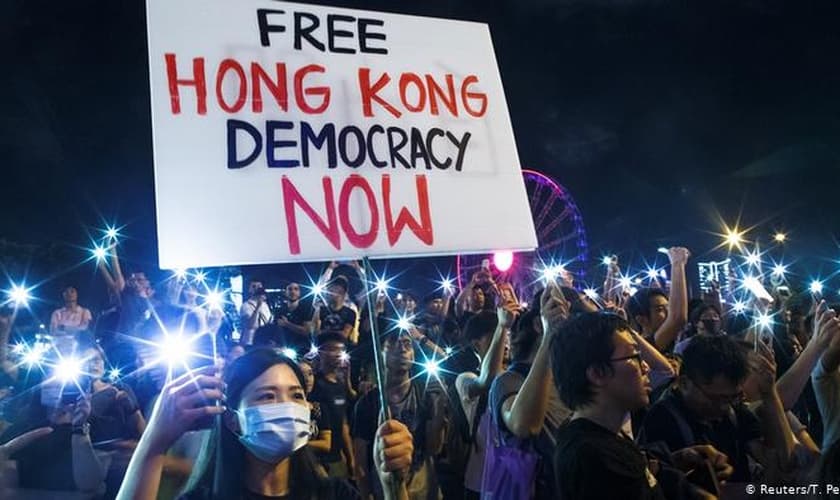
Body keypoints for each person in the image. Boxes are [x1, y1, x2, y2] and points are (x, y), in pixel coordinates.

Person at [116, 348, 414, 500]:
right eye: (267, 397)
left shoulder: (333, 494)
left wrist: (394, 488)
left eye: (296, 395)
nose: (286, 406)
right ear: (233, 420)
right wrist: (154, 441)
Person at [551, 312, 732, 500]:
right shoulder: (592, 459)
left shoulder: (604, 434)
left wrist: (676, 461)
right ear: (597, 373)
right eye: (635, 356)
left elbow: (638, 476)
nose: (646, 367)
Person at [640, 335, 795, 484]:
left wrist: (769, 393)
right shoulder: (662, 419)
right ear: (685, 383)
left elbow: (782, 462)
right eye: (715, 399)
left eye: (733, 397)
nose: (723, 407)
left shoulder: (733, 410)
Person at [482, 286, 571, 500]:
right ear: (539, 324)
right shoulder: (509, 380)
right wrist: (551, 334)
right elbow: (524, 425)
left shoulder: (568, 380)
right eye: (566, 319)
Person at [353, 331, 448, 500]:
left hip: (424, 489)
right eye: (394, 343)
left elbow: (434, 448)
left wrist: (439, 407)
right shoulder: (368, 403)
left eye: (407, 344)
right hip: (385, 491)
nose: (402, 349)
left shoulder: (425, 393)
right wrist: (366, 493)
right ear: (381, 351)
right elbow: (360, 461)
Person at [452, 308, 510, 500]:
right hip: (479, 482)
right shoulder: (465, 379)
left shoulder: (515, 377)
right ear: (477, 345)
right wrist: (502, 325)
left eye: (508, 334)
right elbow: (487, 380)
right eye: (496, 337)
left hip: (513, 481)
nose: (505, 341)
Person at [625, 247, 690, 352]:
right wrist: (677, 264)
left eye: (668, 307)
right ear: (642, 320)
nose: (669, 312)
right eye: (660, 309)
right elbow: (678, 318)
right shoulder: (645, 346)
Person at [310, 332, 355, 479]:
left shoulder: (340, 384)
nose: (337, 354)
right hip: (316, 459)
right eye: (332, 349)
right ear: (320, 353)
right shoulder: (313, 385)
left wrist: (350, 457)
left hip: (336, 457)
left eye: (340, 350)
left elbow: (343, 423)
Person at [298, 358, 332, 457]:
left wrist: (295, 446)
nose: (307, 379)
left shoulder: (318, 408)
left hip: (315, 465)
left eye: (310, 374)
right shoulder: (287, 409)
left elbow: (326, 444)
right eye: (301, 375)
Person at [275, 282, 315, 352]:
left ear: (299, 292)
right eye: (290, 289)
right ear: (285, 292)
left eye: (296, 289)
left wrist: (287, 324)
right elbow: (277, 329)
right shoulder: (280, 310)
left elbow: (306, 331)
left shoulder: (307, 309)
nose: (293, 292)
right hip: (284, 348)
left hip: (303, 348)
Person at [315, 277, 357, 341]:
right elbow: (316, 332)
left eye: (333, 291)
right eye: (329, 290)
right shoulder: (320, 310)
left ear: (343, 293)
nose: (330, 294)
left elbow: (345, 334)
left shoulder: (350, 313)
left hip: (340, 346)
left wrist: (325, 332)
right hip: (322, 345)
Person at [240, 279, 272, 345]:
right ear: (249, 289)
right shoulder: (245, 305)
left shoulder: (266, 305)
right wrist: (258, 306)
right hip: (250, 342)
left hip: (264, 341)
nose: (257, 289)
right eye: (254, 286)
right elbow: (250, 325)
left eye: (259, 286)